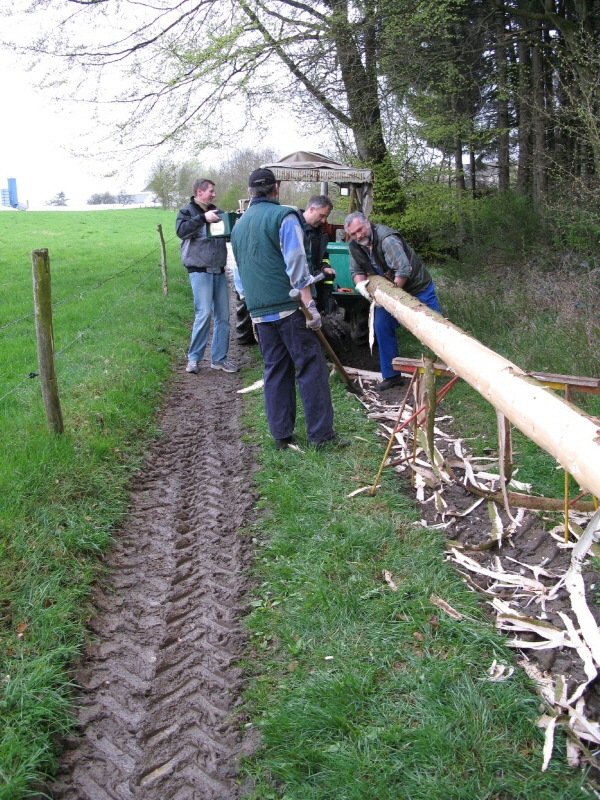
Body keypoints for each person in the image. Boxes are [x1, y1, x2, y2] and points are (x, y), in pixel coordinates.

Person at [231, 168, 349, 450]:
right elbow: (297, 264)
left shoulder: (238, 226)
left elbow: (239, 275)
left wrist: (253, 303)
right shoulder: (285, 216)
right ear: (277, 188)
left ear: (249, 193)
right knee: (311, 366)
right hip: (289, 307)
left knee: (275, 369)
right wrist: (310, 305)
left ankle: (281, 435)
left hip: (259, 311)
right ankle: (321, 436)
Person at [345, 211, 442, 392]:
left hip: (417, 289)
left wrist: (392, 298)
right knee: (381, 325)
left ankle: (447, 367)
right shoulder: (354, 245)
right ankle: (391, 376)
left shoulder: (387, 239)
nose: (359, 235)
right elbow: (356, 270)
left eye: (360, 229)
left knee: (435, 327)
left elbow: (403, 270)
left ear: (367, 223)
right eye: (353, 234)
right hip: (389, 290)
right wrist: (360, 287)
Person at [176, 178, 238, 374]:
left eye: (213, 191)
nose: (213, 194)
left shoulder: (218, 212)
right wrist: (203, 218)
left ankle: (219, 359)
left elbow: (228, 235)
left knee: (224, 317)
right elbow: (181, 231)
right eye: (210, 191)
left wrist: (232, 223)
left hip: (218, 270)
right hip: (199, 271)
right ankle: (194, 359)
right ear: (199, 192)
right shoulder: (187, 212)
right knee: (203, 315)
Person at [300, 195, 337, 315]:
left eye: (326, 217)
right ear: (311, 209)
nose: (324, 220)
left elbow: (323, 255)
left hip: (315, 283)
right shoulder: (294, 227)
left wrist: (324, 267)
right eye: (322, 215)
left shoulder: (320, 232)